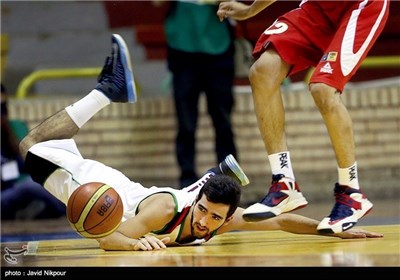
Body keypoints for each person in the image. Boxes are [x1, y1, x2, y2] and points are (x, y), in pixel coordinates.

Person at [19, 34, 383, 251]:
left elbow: (280, 222)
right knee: (30, 148)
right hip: (100, 193)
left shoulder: (222, 220)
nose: (207, 221)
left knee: (43, 142)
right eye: (205, 210)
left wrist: (334, 229)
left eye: (215, 217)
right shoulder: (163, 212)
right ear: (198, 200)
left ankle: (105, 91)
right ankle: (105, 92)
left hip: (120, 189)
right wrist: (134, 243)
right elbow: (107, 240)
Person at [216, 0, 390, 233]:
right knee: (262, 71)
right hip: (317, 7)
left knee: (322, 88)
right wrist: (250, 10)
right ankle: (284, 183)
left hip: (360, 6)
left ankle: (351, 193)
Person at [155, 0, 239, 187]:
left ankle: (229, 182)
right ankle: (187, 183)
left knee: (223, 121)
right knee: (186, 124)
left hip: (218, 48)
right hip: (182, 48)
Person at [1, 83, 66, 220]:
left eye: (3, 109)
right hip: (5, 193)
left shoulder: (9, 131)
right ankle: (67, 210)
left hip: (14, 189)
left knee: (47, 176)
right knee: (29, 186)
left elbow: (24, 165)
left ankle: (45, 210)